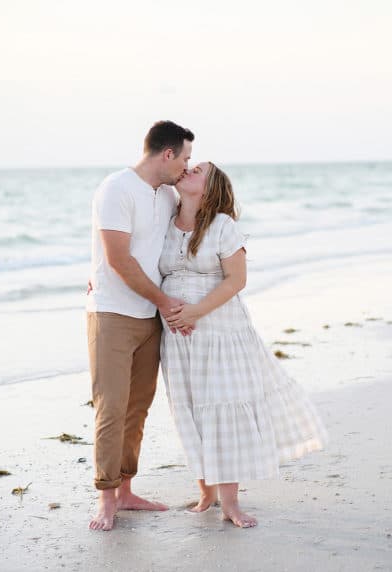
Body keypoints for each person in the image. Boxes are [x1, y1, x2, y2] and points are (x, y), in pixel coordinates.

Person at [160, 162, 327, 527]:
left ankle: (230, 503)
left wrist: (195, 313)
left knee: (221, 409)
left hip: (220, 332)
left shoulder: (222, 226)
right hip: (177, 340)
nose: (189, 168)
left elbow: (237, 280)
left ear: (209, 187)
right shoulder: (165, 223)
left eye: (198, 169)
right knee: (189, 410)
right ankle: (207, 492)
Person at [86, 120, 194, 531]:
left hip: (149, 317)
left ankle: (127, 490)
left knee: (137, 409)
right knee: (110, 408)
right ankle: (106, 498)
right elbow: (117, 257)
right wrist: (166, 302)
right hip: (113, 313)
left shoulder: (167, 194)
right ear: (166, 154)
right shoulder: (116, 188)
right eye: (183, 158)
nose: (186, 166)